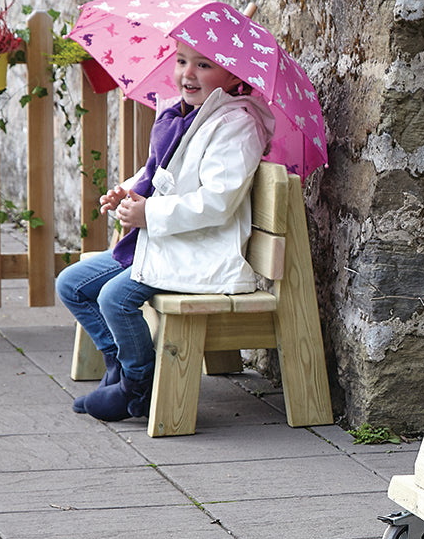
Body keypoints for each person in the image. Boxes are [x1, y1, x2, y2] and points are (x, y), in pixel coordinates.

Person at [56, 41, 275, 421]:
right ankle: (119, 363)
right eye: (182, 61)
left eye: (203, 65)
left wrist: (150, 213)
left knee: (115, 299)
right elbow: (160, 175)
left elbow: (217, 201)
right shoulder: (182, 116)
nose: (188, 73)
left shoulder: (236, 125)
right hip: (163, 239)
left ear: (232, 76)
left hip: (198, 248)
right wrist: (129, 193)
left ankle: (137, 385)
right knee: (71, 284)